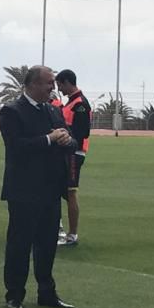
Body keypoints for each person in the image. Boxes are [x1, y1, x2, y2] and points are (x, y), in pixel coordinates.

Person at [0, 65, 76, 308]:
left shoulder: (53, 112)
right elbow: (16, 147)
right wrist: (49, 139)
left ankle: (47, 292)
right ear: (31, 85)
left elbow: (71, 140)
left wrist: (66, 140)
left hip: (50, 190)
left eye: (53, 83)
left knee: (47, 244)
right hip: (23, 191)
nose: (52, 87)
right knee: (19, 244)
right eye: (48, 83)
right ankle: (14, 294)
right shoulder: (12, 111)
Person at [55, 69, 91, 247]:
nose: (59, 89)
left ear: (67, 82)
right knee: (59, 189)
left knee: (70, 191)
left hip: (74, 153)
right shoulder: (71, 103)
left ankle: (72, 234)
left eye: (60, 85)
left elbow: (83, 132)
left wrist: (65, 136)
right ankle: (59, 229)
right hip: (65, 152)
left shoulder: (80, 104)